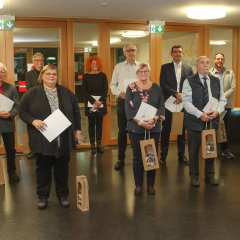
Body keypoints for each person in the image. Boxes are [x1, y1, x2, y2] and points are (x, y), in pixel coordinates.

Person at [19, 64, 82, 210]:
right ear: (42, 76)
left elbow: (76, 112)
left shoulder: (66, 93)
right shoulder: (32, 93)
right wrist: (33, 121)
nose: (51, 76)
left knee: (62, 169)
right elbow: (22, 111)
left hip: (63, 137)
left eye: (54, 74)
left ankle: (63, 195)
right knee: (43, 169)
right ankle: (42, 196)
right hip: (43, 138)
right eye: (48, 74)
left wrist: (77, 131)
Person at [182, 56, 226, 187]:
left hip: (212, 121)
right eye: (202, 62)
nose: (205, 65)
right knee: (194, 151)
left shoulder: (216, 80)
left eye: (207, 62)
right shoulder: (189, 81)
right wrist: (200, 114)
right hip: (195, 122)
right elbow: (186, 102)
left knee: (210, 149)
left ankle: (210, 175)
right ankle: (194, 176)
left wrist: (218, 111)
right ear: (197, 65)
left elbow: (222, 99)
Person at [125, 63, 165, 196]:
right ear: (137, 73)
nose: (143, 73)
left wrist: (154, 120)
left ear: (149, 72)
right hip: (136, 129)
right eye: (140, 71)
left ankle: (151, 185)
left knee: (152, 156)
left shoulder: (157, 88)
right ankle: (138, 185)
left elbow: (161, 106)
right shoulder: (131, 88)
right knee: (137, 158)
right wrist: (141, 123)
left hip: (153, 128)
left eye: (146, 71)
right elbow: (129, 109)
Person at [159, 45, 193, 166]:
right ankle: (163, 156)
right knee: (166, 130)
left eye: (180, 52)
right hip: (169, 103)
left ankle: (181, 155)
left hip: (182, 104)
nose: (178, 54)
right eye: (175, 52)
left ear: (182, 54)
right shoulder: (165, 67)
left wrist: (182, 96)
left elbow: (191, 85)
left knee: (181, 131)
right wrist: (176, 94)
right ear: (171, 54)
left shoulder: (188, 68)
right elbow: (163, 84)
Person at [110, 43, 140, 170]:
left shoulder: (142, 66)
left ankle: (138, 158)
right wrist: (118, 93)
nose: (131, 53)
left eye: (133, 50)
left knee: (137, 131)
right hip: (123, 102)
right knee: (122, 131)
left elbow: (148, 82)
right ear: (124, 53)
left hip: (139, 103)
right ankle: (120, 159)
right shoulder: (118, 67)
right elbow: (112, 85)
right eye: (128, 51)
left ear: (136, 52)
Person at [209, 53, 236, 159]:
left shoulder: (230, 72)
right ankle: (210, 149)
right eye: (218, 59)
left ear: (224, 60)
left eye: (222, 59)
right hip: (211, 105)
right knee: (210, 127)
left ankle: (225, 150)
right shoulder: (209, 73)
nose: (220, 60)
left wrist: (222, 97)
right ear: (214, 60)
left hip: (226, 105)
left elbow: (233, 88)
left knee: (224, 128)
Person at [82, 56, 108, 154]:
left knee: (100, 124)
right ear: (89, 65)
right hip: (90, 103)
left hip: (101, 103)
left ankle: (99, 144)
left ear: (99, 65)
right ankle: (92, 145)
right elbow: (84, 92)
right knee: (91, 124)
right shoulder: (86, 76)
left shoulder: (103, 75)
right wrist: (94, 102)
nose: (95, 66)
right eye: (93, 64)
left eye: (96, 64)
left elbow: (105, 90)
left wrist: (100, 101)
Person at [0, 63, 20, 183]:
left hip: (7, 123)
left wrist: (10, 114)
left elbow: (17, 105)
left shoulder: (11, 88)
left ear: (5, 74)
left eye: (2, 72)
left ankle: (12, 171)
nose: (0, 74)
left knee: (10, 149)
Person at [25, 52, 44, 159]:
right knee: (32, 128)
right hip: (32, 104)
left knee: (44, 126)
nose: (39, 63)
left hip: (45, 104)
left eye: (41, 60)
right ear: (33, 62)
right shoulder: (29, 74)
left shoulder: (46, 73)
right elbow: (29, 89)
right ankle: (32, 149)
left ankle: (42, 148)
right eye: (37, 61)